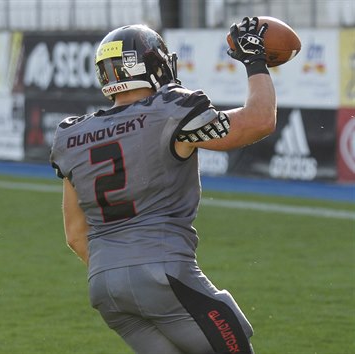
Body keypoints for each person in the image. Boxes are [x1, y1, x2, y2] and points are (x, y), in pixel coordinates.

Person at [50, 17, 275, 354]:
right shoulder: (168, 111)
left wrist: (121, 270)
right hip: (163, 272)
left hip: (105, 285)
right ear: (154, 64)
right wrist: (255, 60)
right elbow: (259, 120)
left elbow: (74, 234)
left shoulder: (72, 135)